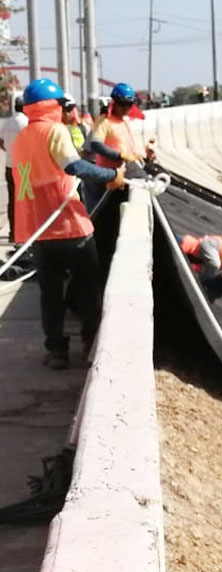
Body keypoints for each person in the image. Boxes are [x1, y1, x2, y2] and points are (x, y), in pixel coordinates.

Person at [11, 78, 125, 369]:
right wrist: (112, 176)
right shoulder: (55, 131)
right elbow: (73, 167)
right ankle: (90, 343)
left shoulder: (21, 139)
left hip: (39, 231)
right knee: (88, 288)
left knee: (50, 294)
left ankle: (56, 351)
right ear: (53, 106)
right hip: (70, 226)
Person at [84, 82, 148, 275]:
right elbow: (96, 145)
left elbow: (126, 146)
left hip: (123, 178)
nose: (126, 109)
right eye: (123, 105)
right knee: (105, 225)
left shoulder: (123, 122)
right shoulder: (105, 121)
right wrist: (118, 156)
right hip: (109, 179)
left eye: (129, 105)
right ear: (115, 103)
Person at [1, 95, 28, 240]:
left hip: (9, 166)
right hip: (23, 168)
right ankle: (23, 232)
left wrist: (10, 151)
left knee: (12, 200)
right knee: (23, 200)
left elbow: (1, 142)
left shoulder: (8, 123)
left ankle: (13, 232)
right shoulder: (25, 123)